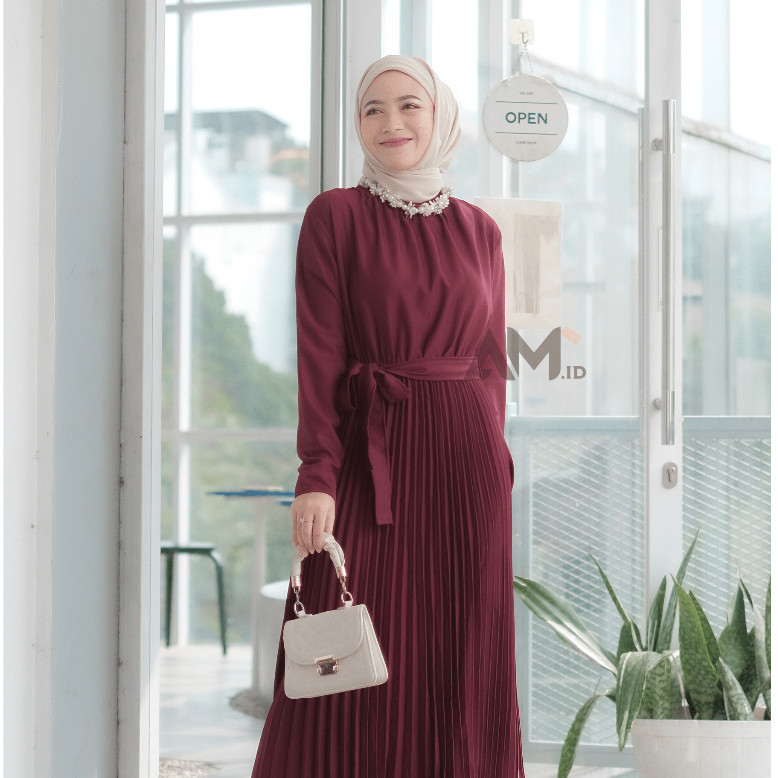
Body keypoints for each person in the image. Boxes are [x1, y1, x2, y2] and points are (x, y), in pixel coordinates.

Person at [251, 54, 525, 778]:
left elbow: (489, 363)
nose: (391, 122)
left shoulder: (481, 230)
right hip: (369, 454)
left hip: (465, 462)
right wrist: (317, 474)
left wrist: (497, 465)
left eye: (409, 105)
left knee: (459, 653)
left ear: (440, 117)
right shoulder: (336, 215)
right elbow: (320, 353)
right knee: (344, 649)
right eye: (372, 109)